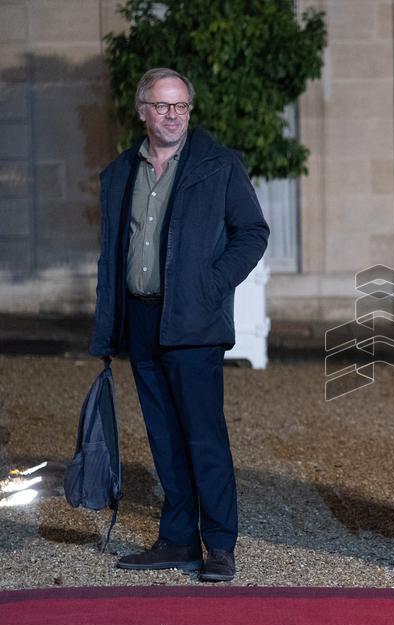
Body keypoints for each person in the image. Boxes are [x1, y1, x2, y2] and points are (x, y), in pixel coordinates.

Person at [89, 68, 269, 582]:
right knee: (164, 436)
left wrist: (212, 285)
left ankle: (218, 545)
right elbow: (112, 253)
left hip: (194, 320)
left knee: (203, 436)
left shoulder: (219, 165)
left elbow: (252, 232)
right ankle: (176, 539)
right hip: (141, 318)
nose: (173, 115)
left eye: (182, 106)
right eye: (163, 106)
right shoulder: (121, 172)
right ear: (142, 110)